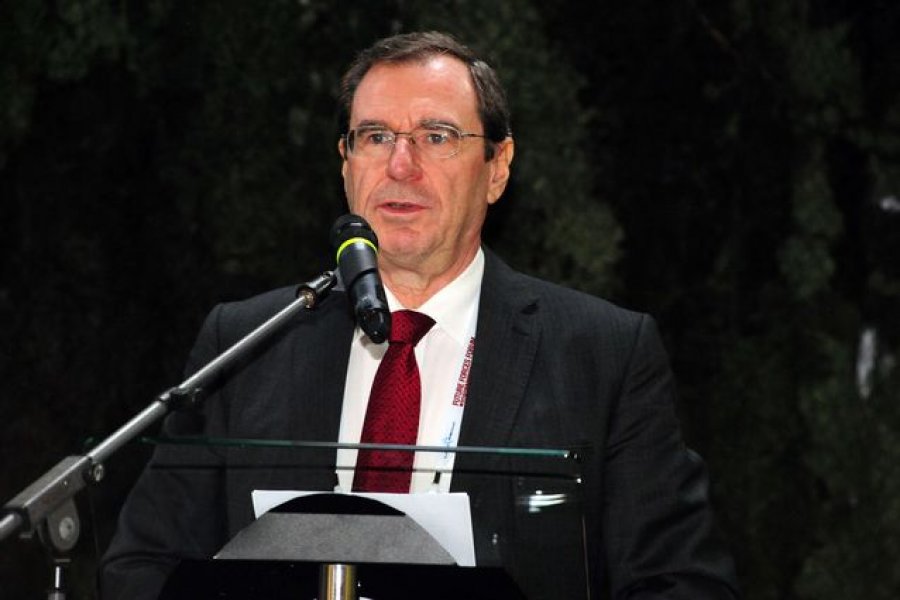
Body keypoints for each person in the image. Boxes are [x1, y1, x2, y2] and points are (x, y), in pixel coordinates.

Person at [100, 31, 740, 599]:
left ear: (497, 168)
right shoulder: (248, 344)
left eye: (436, 137)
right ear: (346, 163)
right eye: (376, 137)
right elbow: (142, 566)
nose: (400, 165)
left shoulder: (602, 355)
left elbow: (681, 583)